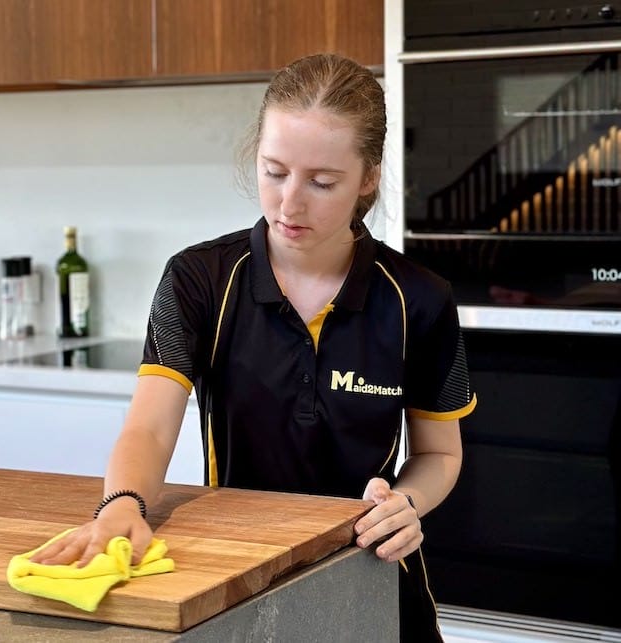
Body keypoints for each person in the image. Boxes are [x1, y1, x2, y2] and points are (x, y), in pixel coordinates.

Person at [32, 53, 477, 642]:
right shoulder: (198, 280)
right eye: (274, 171)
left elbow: (440, 456)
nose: (291, 203)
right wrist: (121, 504)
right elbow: (151, 428)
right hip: (239, 576)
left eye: (322, 182)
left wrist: (406, 504)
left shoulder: (418, 299)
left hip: (372, 575)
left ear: (367, 178)